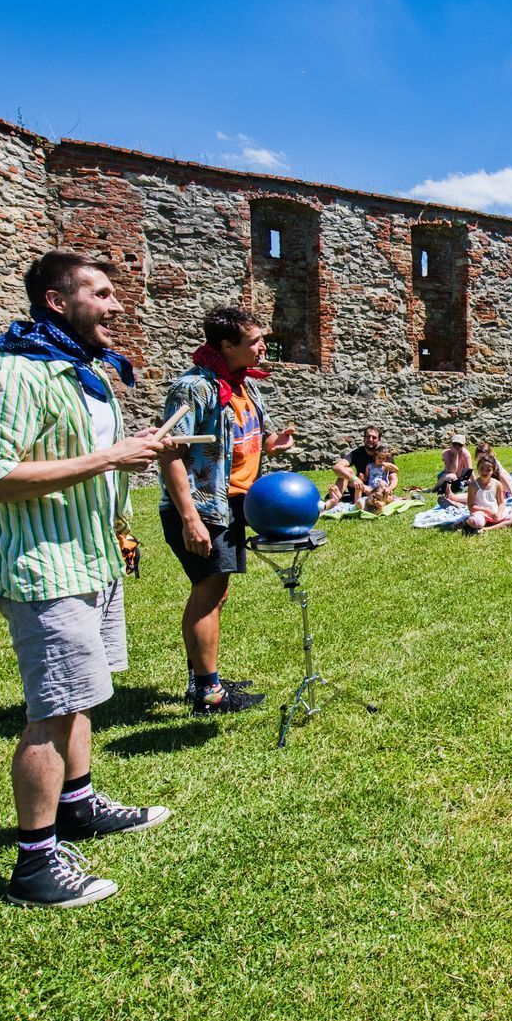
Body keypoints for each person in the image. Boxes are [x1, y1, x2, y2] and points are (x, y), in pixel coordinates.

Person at [0, 251, 173, 909]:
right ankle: (34, 866)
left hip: (90, 556)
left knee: (77, 696)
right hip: (43, 567)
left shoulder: (83, 377)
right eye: (102, 295)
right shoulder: (12, 374)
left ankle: (77, 807)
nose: (117, 307)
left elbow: (80, 462)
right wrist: (112, 455)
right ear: (58, 302)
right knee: (50, 711)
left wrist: (121, 504)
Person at [159, 305, 295, 717]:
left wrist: (271, 444)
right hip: (204, 510)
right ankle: (208, 693)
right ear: (226, 345)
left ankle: (203, 675)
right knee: (209, 592)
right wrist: (190, 519)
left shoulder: (242, 385)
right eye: (254, 342)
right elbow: (170, 456)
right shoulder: (193, 389)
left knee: (216, 593)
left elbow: (243, 439)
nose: (262, 349)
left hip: (235, 503)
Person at [462, 449, 512, 532]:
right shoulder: (473, 485)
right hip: (481, 513)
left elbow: (501, 503)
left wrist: (499, 513)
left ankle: (487, 529)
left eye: (488, 470)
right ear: (477, 468)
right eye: (482, 469)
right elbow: (471, 507)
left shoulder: (497, 484)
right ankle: (469, 523)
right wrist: (487, 511)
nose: (484, 472)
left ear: (493, 470)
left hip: (494, 512)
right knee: (476, 522)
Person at [437, 433, 475, 506]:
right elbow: (452, 471)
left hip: (459, 479)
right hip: (446, 478)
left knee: (468, 488)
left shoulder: (466, 454)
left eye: (459, 445)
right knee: (451, 476)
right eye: (455, 444)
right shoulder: (446, 453)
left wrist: (477, 484)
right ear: (450, 444)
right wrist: (456, 455)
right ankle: (437, 489)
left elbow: (470, 471)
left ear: (463, 446)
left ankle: (453, 500)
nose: (457, 446)